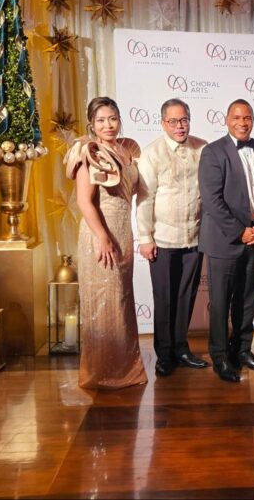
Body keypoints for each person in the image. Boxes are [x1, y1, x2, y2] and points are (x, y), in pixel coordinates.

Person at [64, 97, 147, 390]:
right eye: (100, 120)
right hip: (99, 235)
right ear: (91, 124)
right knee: (103, 303)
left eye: (112, 118)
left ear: (119, 119)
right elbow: (84, 202)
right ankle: (101, 373)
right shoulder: (88, 152)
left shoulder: (126, 149)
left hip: (123, 232)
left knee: (120, 302)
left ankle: (125, 369)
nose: (108, 125)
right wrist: (102, 237)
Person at [198, 99, 254, 383]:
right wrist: (240, 231)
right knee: (220, 302)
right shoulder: (212, 152)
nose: (243, 123)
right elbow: (212, 201)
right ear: (227, 120)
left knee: (247, 300)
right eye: (237, 117)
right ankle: (220, 357)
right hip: (225, 241)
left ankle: (242, 350)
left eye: (247, 118)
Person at [137, 98, 209, 377]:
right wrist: (145, 237)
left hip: (195, 237)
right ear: (163, 123)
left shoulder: (202, 148)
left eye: (184, 120)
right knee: (165, 298)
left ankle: (181, 348)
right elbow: (145, 198)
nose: (180, 126)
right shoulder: (152, 153)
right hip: (163, 239)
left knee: (186, 296)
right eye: (173, 121)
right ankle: (164, 354)